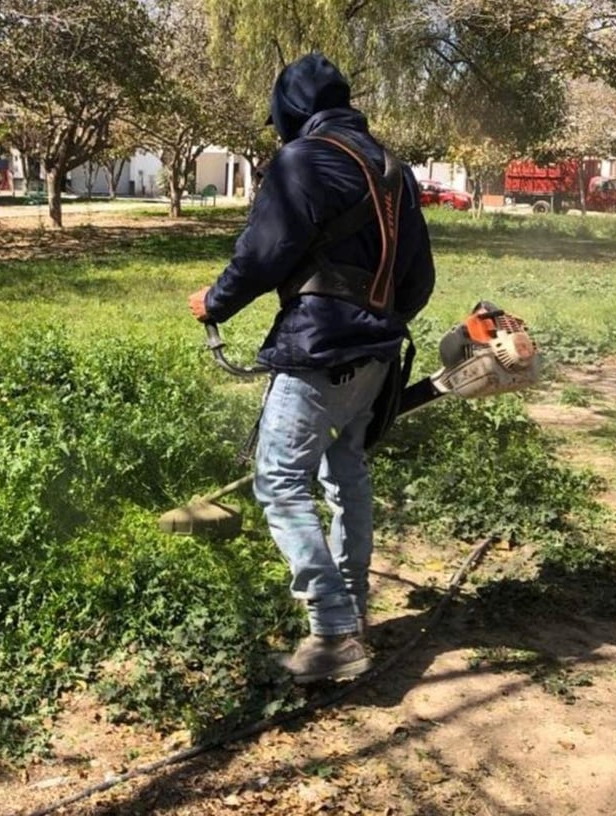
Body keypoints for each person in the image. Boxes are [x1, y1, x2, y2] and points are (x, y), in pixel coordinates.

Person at [188, 52, 435, 684]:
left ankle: (332, 633)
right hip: (377, 354)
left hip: (319, 350)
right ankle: (352, 606)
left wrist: (213, 302)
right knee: (345, 470)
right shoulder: (393, 171)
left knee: (278, 480)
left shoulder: (302, 160)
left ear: (290, 109)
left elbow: (263, 253)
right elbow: (419, 279)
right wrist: (376, 323)